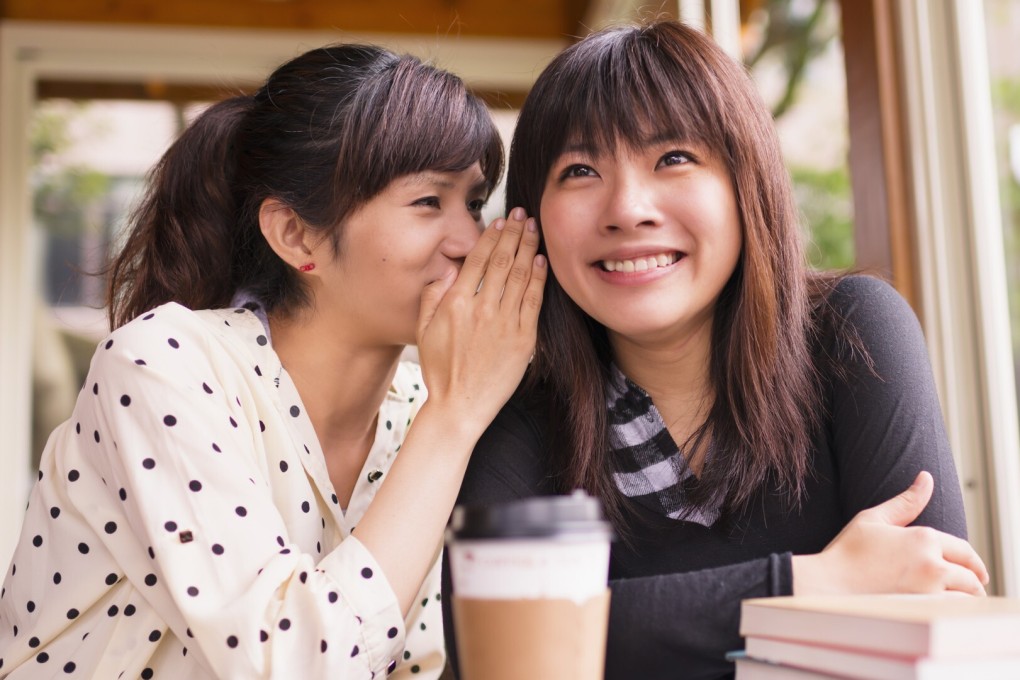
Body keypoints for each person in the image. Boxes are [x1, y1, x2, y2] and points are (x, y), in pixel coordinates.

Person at [441, 19, 988, 680]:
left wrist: (604, 622)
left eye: (673, 158)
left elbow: (933, 601)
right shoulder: (526, 398)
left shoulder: (853, 333)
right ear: (531, 221)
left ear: (744, 185)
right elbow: (495, 648)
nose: (628, 208)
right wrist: (805, 585)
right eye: (580, 170)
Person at [0, 43, 545, 679]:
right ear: (295, 235)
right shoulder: (163, 364)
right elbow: (290, 666)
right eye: (429, 202)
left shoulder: (420, 410)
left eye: (474, 204)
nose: (469, 242)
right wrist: (455, 418)